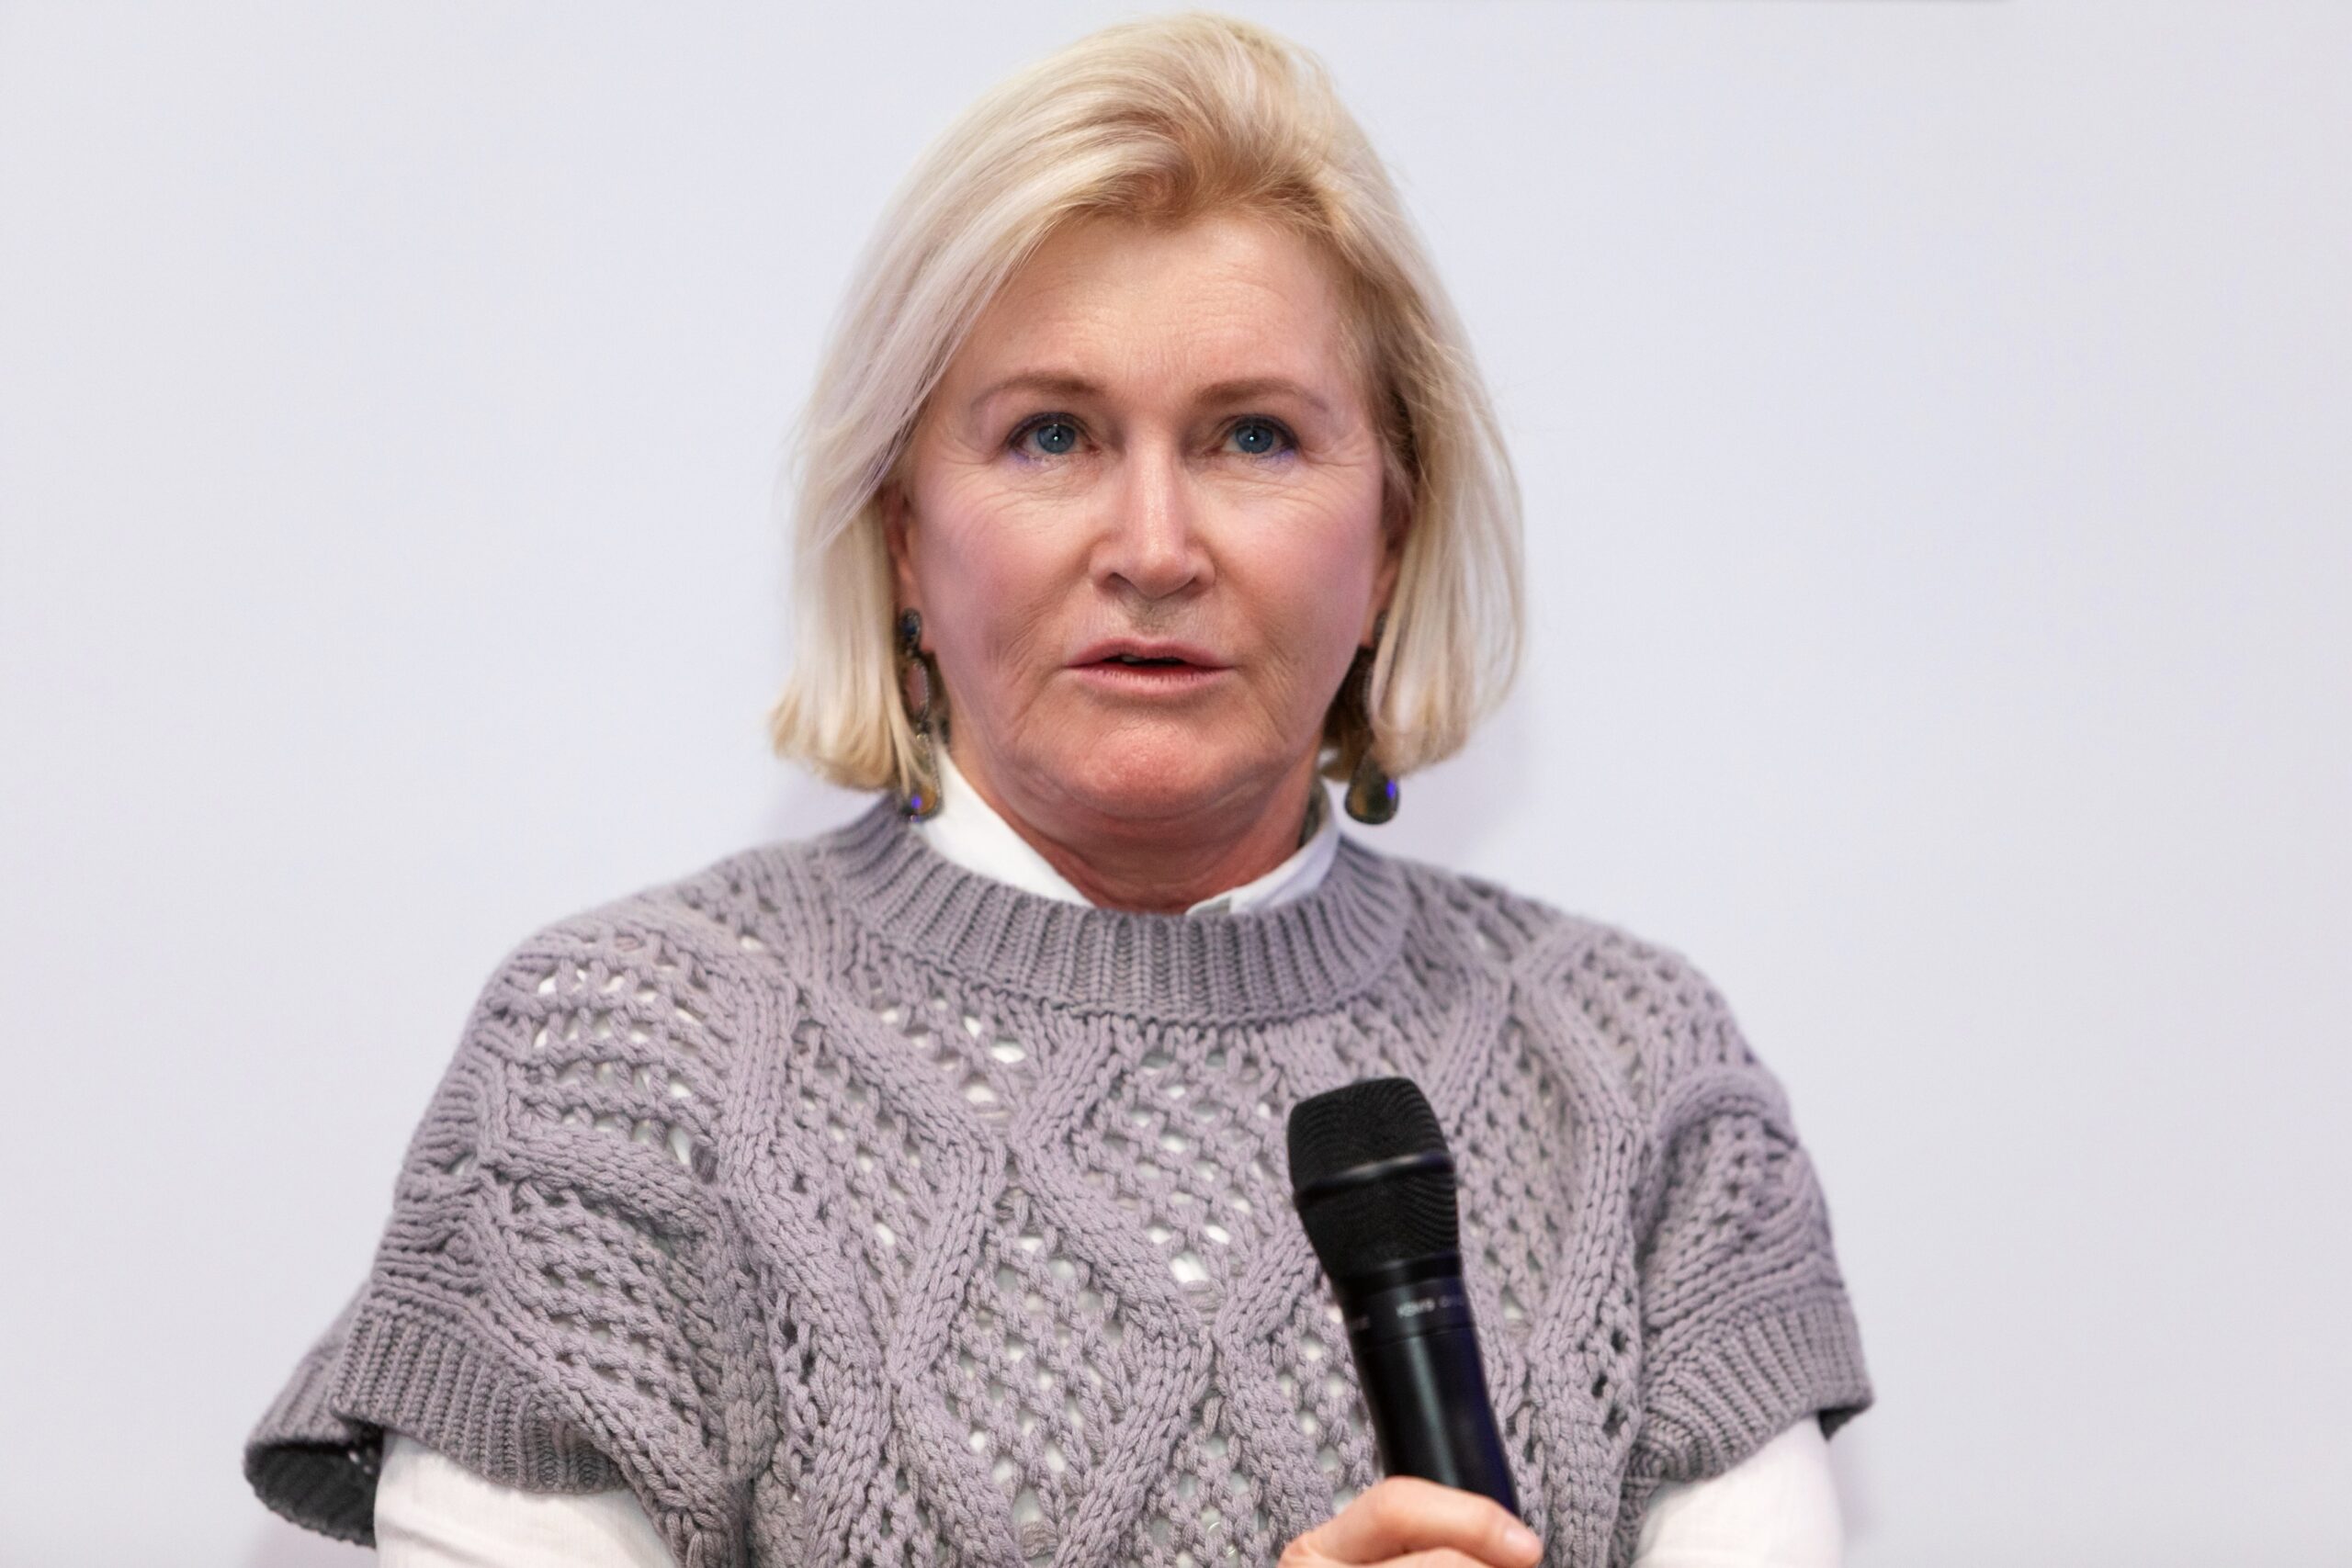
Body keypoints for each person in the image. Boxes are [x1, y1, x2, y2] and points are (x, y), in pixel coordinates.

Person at [245, 13, 1872, 1566]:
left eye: (1252, 437)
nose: (1154, 549)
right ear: (903, 530)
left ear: (1390, 536)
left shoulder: (1633, 1075)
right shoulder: (622, 1063)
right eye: (1049, 437)